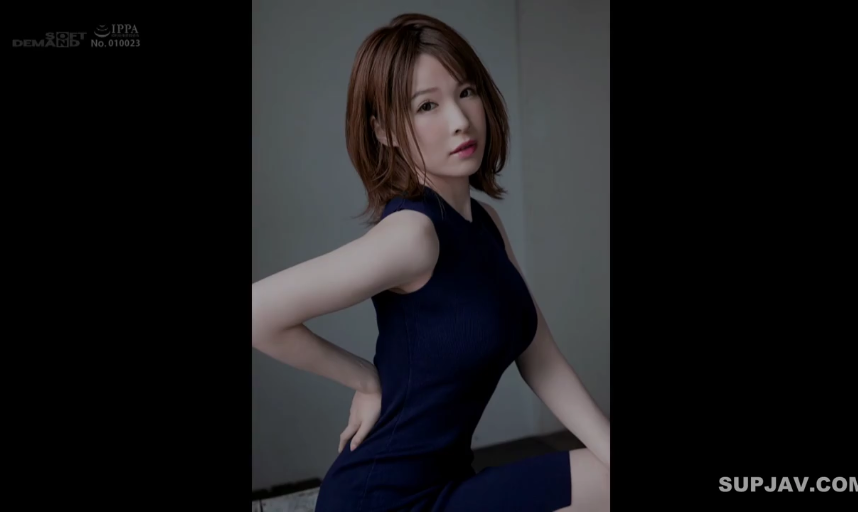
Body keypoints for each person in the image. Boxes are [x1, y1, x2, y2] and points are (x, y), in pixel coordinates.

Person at [251, 13, 610, 512]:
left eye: (466, 92)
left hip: (449, 483)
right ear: (384, 131)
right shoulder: (412, 235)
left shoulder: (484, 223)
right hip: (382, 500)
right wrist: (365, 379)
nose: (460, 120)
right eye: (427, 105)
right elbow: (258, 311)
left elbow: (539, 355)